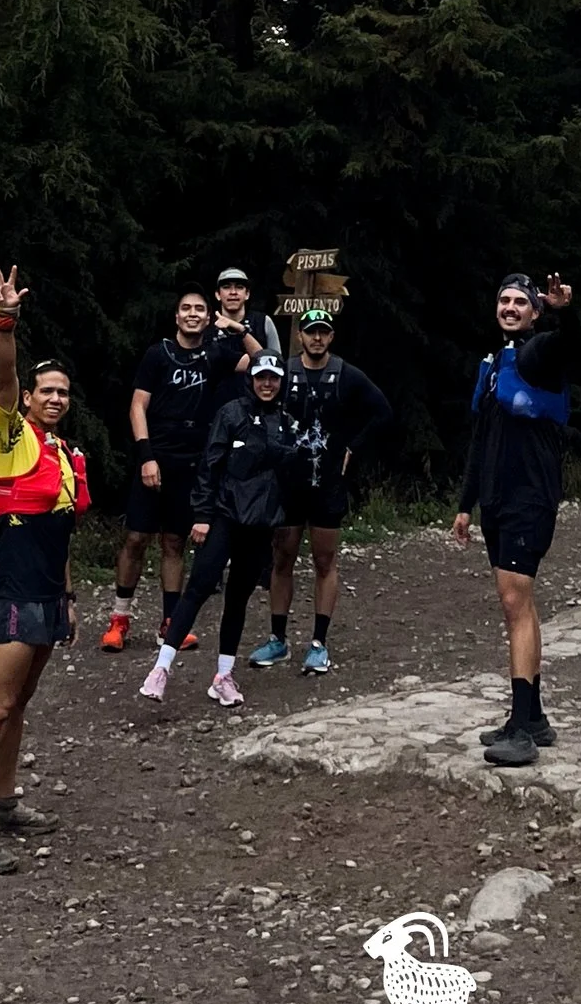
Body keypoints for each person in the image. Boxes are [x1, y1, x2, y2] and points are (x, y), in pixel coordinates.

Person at [0, 261, 87, 875]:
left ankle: (5, 803)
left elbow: (61, 534)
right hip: (12, 582)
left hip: (46, 587)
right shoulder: (12, 436)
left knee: (22, 701)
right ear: (31, 400)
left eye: (64, 392)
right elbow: (3, 374)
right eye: (48, 392)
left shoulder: (67, 455)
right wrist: (5, 323)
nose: (56, 399)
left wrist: (68, 597)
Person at [451, 269, 576, 768]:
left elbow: (574, 343)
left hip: (531, 496)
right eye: (503, 300)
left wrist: (566, 311)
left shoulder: (540, 352)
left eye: (520, 302)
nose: (509, 308)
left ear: (535, 310)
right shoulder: (493, 363)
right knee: (514, 606)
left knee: (514, 600)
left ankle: (521, 730)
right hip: (497, 501)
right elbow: (480, 440)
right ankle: (533, 718)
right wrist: (465, 504)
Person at [139, 341, 299, 706]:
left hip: (260, 525)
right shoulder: (231, 414)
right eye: (261, 377)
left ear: (281, 382)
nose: (267, 385)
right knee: (197, 589)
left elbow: (291, 478)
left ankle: (223, 676)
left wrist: (284, 518)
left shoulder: (289, 422)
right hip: (225, 516)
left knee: (238, 600)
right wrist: (202, 515)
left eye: (274, 378)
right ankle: (161, 668)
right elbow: (209, 467)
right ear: (252, 379)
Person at [101, 289, 246, 655]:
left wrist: (235, 327)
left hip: (192, 462)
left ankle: (171, 623)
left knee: (174, 542)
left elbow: (264, 362)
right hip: (156, 456)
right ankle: (119, 618)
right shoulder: (158, 354)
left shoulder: (215, 354)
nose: (193, 314)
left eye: (199, 309)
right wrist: (145, 454)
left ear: (207, 315)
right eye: (186, 308)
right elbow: (137, 405)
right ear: (176, 316)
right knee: (136, 538)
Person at [252, 302, 392, 672]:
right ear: (299, 335)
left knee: (324, 561)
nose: (316, 337)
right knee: (282, 559)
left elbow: (382, 411)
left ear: (331, 336)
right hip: (289, 483)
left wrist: (354, 448)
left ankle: (319, 642)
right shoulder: (286, 372)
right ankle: (277, 639)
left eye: (323, 332)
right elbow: (259, 404)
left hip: (328, 483)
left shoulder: (346, 374)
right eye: (310, 331)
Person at [210, 262, 283, 368]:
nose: (233, 292)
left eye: (239, 287)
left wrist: (241, 329)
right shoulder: (208, 325)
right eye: (226, 287)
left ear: (247, 294)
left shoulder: (263, 322)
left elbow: (277, 364)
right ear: (217, 294)